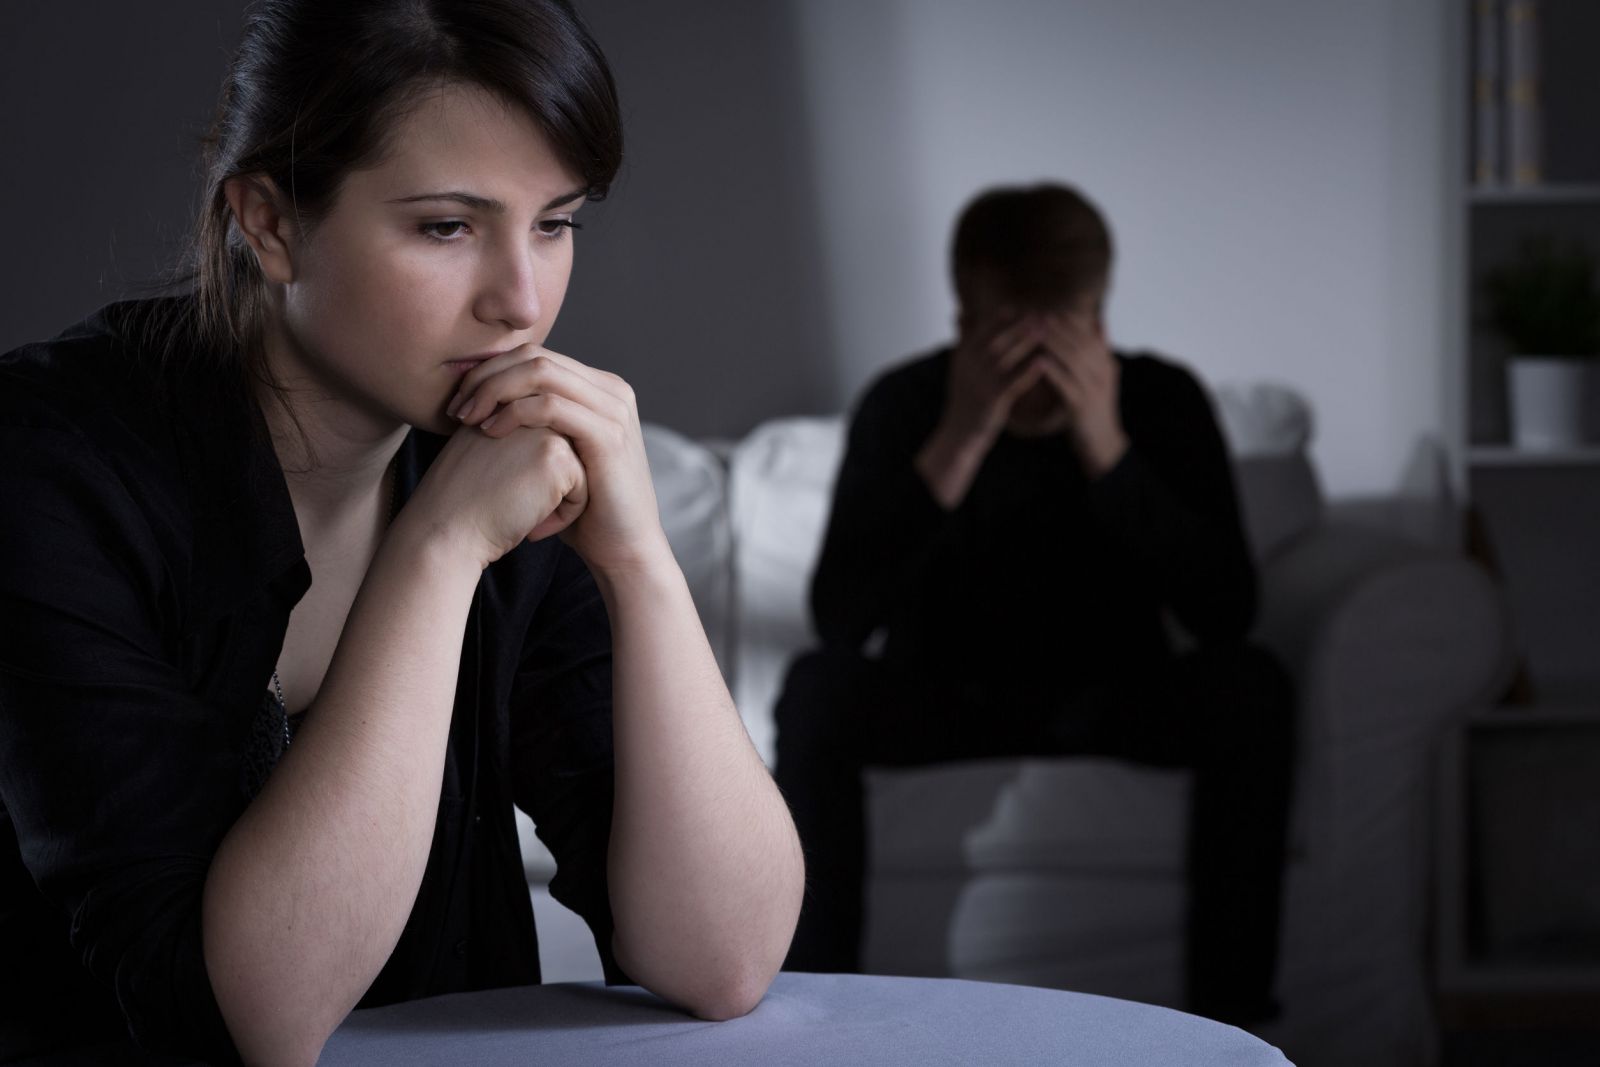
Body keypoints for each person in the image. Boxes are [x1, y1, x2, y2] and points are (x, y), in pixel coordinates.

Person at [0, 2, 803, 1063]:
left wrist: (638, 561)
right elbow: (251, 1018)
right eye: (447, 227)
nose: (519, 301)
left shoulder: (507, 465)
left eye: (554, 223)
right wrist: (435, 551)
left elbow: (724, 956)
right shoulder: (49, 463)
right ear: (271, 224)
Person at [774, 183, 1293, 1025]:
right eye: (1010, 339)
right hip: (947, 696)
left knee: (1253, 684)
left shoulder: (1161, 401)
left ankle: (1231, 1023)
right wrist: (964, 435)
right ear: (965, 322)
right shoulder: (908, 403)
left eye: (1061, 337)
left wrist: (1107, 447)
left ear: (1098, 321)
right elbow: (839, 620)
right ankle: (809, 1018)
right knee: (815, 688)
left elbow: (1226, 613)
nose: (1038, 371)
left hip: (1112, 693)